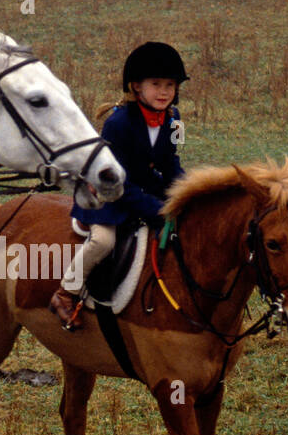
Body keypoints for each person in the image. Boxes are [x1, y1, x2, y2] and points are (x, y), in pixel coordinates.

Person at [50, 42, 188, 330]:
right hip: (109, 196)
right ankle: (66, 292)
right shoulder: (118, 123)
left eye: (170, 85)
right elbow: (119, 183)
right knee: (104, 241)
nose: (164, 92)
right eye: (156, 84)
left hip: (149, 190)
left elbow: (171, 161)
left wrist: (183, 192)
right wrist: (157, 209)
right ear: (136, 86)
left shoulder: (175, 121)